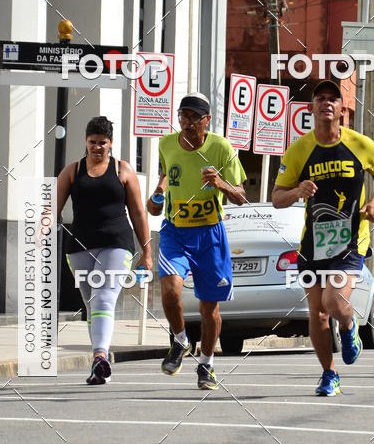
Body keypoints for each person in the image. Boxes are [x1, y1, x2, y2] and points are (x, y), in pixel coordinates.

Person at [272, 78, 374, 396]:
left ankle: (350, 328)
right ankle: (329, 374)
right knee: (317, 314)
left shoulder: (361, 145)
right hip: (313, 243)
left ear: (341, 109)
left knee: (333, 301)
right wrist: (298, 190)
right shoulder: (299, 150)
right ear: (311, 108)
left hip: (351, 238)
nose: (326, 103)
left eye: (332, 99)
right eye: (320, 98)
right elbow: (276, 198)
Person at [147, 92, 247, 390]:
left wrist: (220, 183)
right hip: (175, 231)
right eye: (183, 116)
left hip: (209, 234)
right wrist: (156, 197)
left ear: (207, 120)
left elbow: (241, 196)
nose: (187, 123)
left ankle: (206, 365)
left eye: (193, 117)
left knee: (209, 309)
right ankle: (179, 340)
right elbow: (164, 181)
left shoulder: (221, 148)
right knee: (169, 290)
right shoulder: (166, 144)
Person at [56, 115, 152, 384]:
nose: (97, 147)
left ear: (111, 144)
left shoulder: (123, 170)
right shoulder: (72, 171)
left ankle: (99, 356)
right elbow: (53, 207)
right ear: (85, 142)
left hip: (117, 244)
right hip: (79, 247)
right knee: (92, 305)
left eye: (102, 143)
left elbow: (138, 213)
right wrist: (41, 229)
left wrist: (146, 252)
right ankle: (100, 365)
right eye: (92, 142)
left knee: (103, 299)